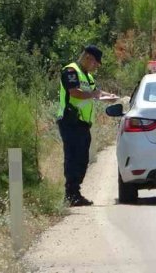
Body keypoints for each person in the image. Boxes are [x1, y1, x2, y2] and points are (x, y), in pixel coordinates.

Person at [57, 45, 119, 206]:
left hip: (82, 123)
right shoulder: (71, 71)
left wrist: (109, 96)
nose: (96, 66)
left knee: (83, 158)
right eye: (95, 63)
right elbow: (74, 92)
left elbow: (95, 91)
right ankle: (71, 194)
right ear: (87, 58)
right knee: (73, 157)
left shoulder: (86, 76)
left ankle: (75, 192)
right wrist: (95, 95)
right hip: (70, 121)